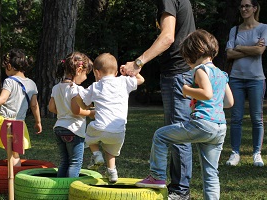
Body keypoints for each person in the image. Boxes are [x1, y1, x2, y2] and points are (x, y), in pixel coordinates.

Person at [135, 29, 234, 200]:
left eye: (186, 58)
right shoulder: (221, 73)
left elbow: (207, 93)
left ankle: (157, 176)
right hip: (219, 128)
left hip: (202, 124)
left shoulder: (201, 70)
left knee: (160, 135)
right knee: (211, 174)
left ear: (193, 53)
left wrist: (187, 90)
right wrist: (211, 104)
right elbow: (229, 102)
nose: (187, 63)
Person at [120, 0, 196, 198]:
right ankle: (178, 186)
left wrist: (138, 62)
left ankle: (181, 191)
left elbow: (168, 37)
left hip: (178, 72)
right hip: (181, 72)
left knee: (179, 132)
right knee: (176, 130)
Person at [76, 53, 145, 183]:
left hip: (99, 127)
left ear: (97, 72)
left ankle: (96, 155)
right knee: (110, 150)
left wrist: (76, 89)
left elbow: (84, 100)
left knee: (89, 137)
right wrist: (130, 70)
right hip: (118, 131)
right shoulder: (123, 81)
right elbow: (141, 80)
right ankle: (112, 172)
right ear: (116, 70)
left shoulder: (95, 86)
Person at [225, 0, 267, 167]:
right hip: (236, 78)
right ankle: (235, 153)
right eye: (242, 6)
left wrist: (239, 48)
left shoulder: (263, 27)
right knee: (236, 118)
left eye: (247, 6)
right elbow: (229, 54)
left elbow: (260, 51)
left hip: (256, 79)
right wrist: (250, 48)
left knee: (257, 118)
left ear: (255, 8)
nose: (244, 9)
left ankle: (257, 153)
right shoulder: (234, 30)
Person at [48, 52, 94, 178]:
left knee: (64, 162)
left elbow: (51, 107)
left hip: (59, 128)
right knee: (75, 162)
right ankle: (70, 190)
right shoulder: (76, 89)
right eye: (85, 74)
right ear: (79, 70)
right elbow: (76, 110)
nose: (85, 78)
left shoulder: (57, 87)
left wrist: (64, 111)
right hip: (74, 130)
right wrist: (91, 113)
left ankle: (60, 189)